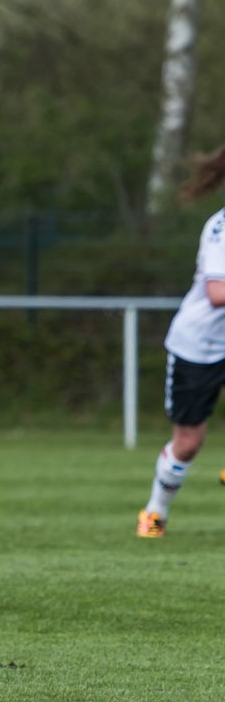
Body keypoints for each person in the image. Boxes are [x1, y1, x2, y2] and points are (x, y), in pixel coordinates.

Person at [137, 144, 225, 539]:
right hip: (201, 345)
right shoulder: (221, 227)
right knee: (188, 443)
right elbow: (217, 293)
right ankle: (154, 513)